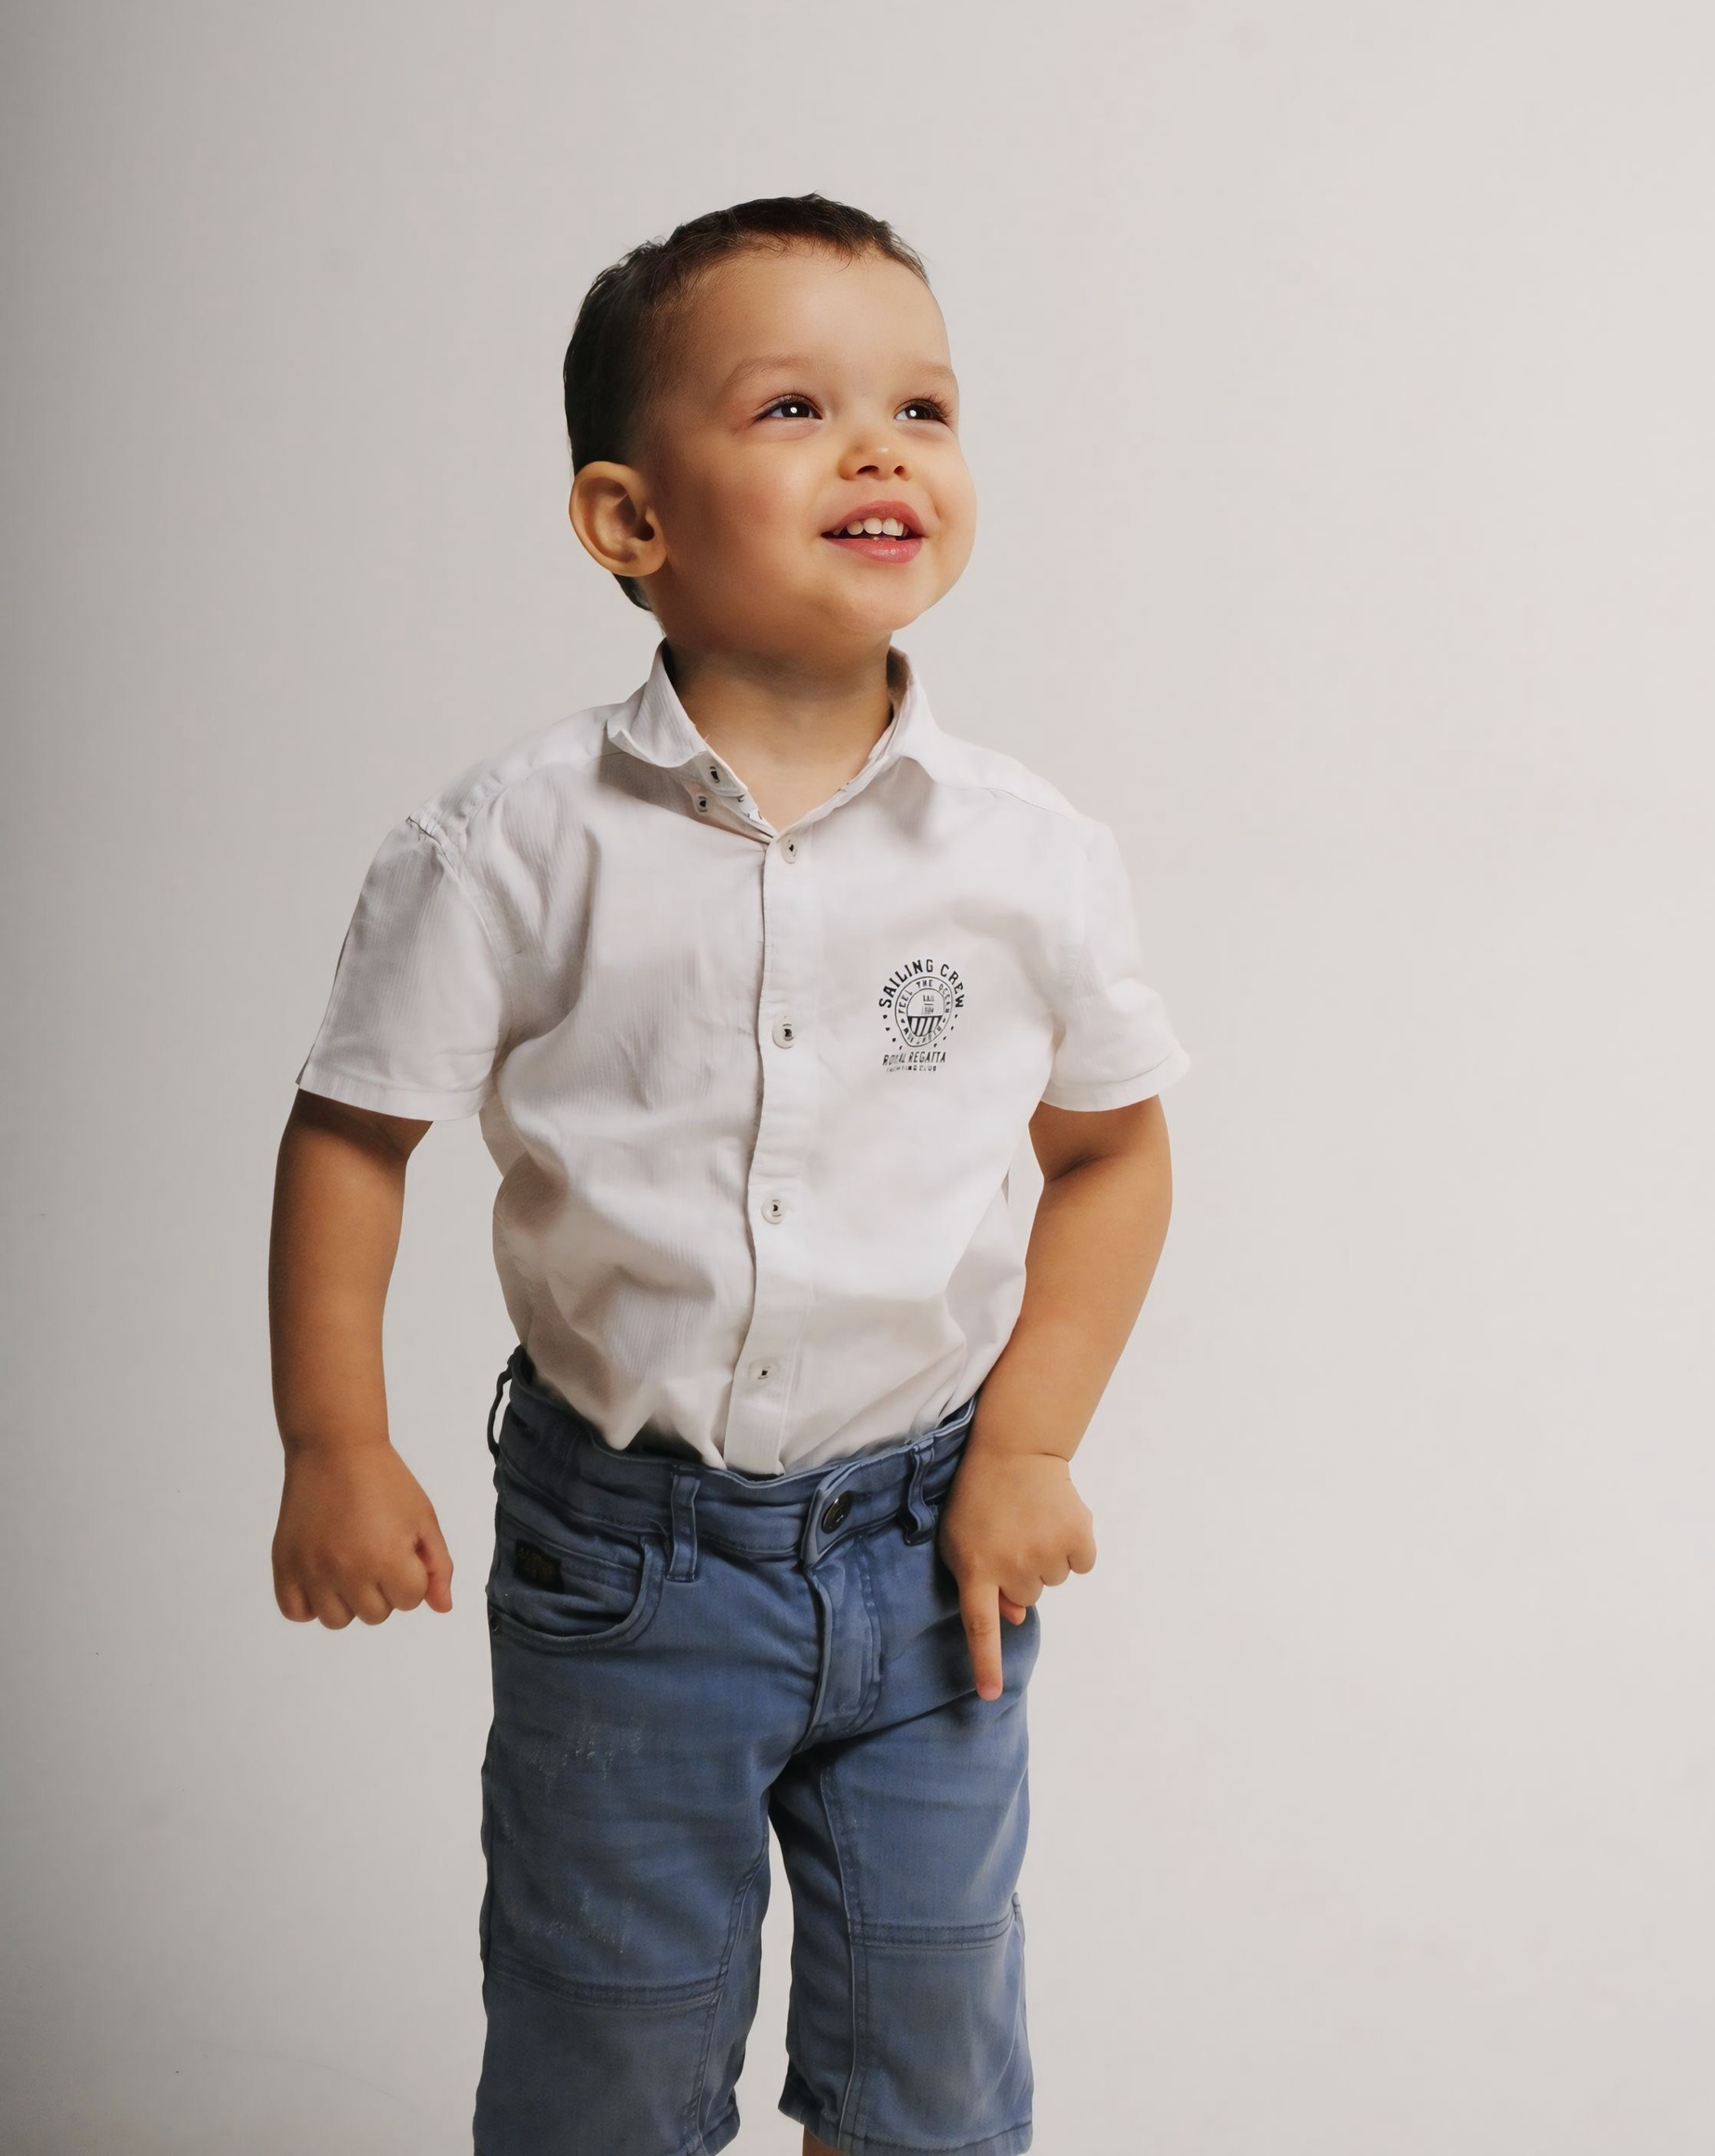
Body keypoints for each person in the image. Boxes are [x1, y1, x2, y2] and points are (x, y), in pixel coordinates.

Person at [268, 194, 1186, 2156]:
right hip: (631, 1566)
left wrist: (1030, 1440)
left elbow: (1112, 1148)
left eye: (922, 406)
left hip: (932, 1559)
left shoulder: (1027, 854)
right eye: (795, 408)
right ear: (629, 520)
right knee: (608, 2058)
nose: (879, 450)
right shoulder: (512, 843)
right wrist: (334, 1442)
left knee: (930, 2060)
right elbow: (354, 1130)